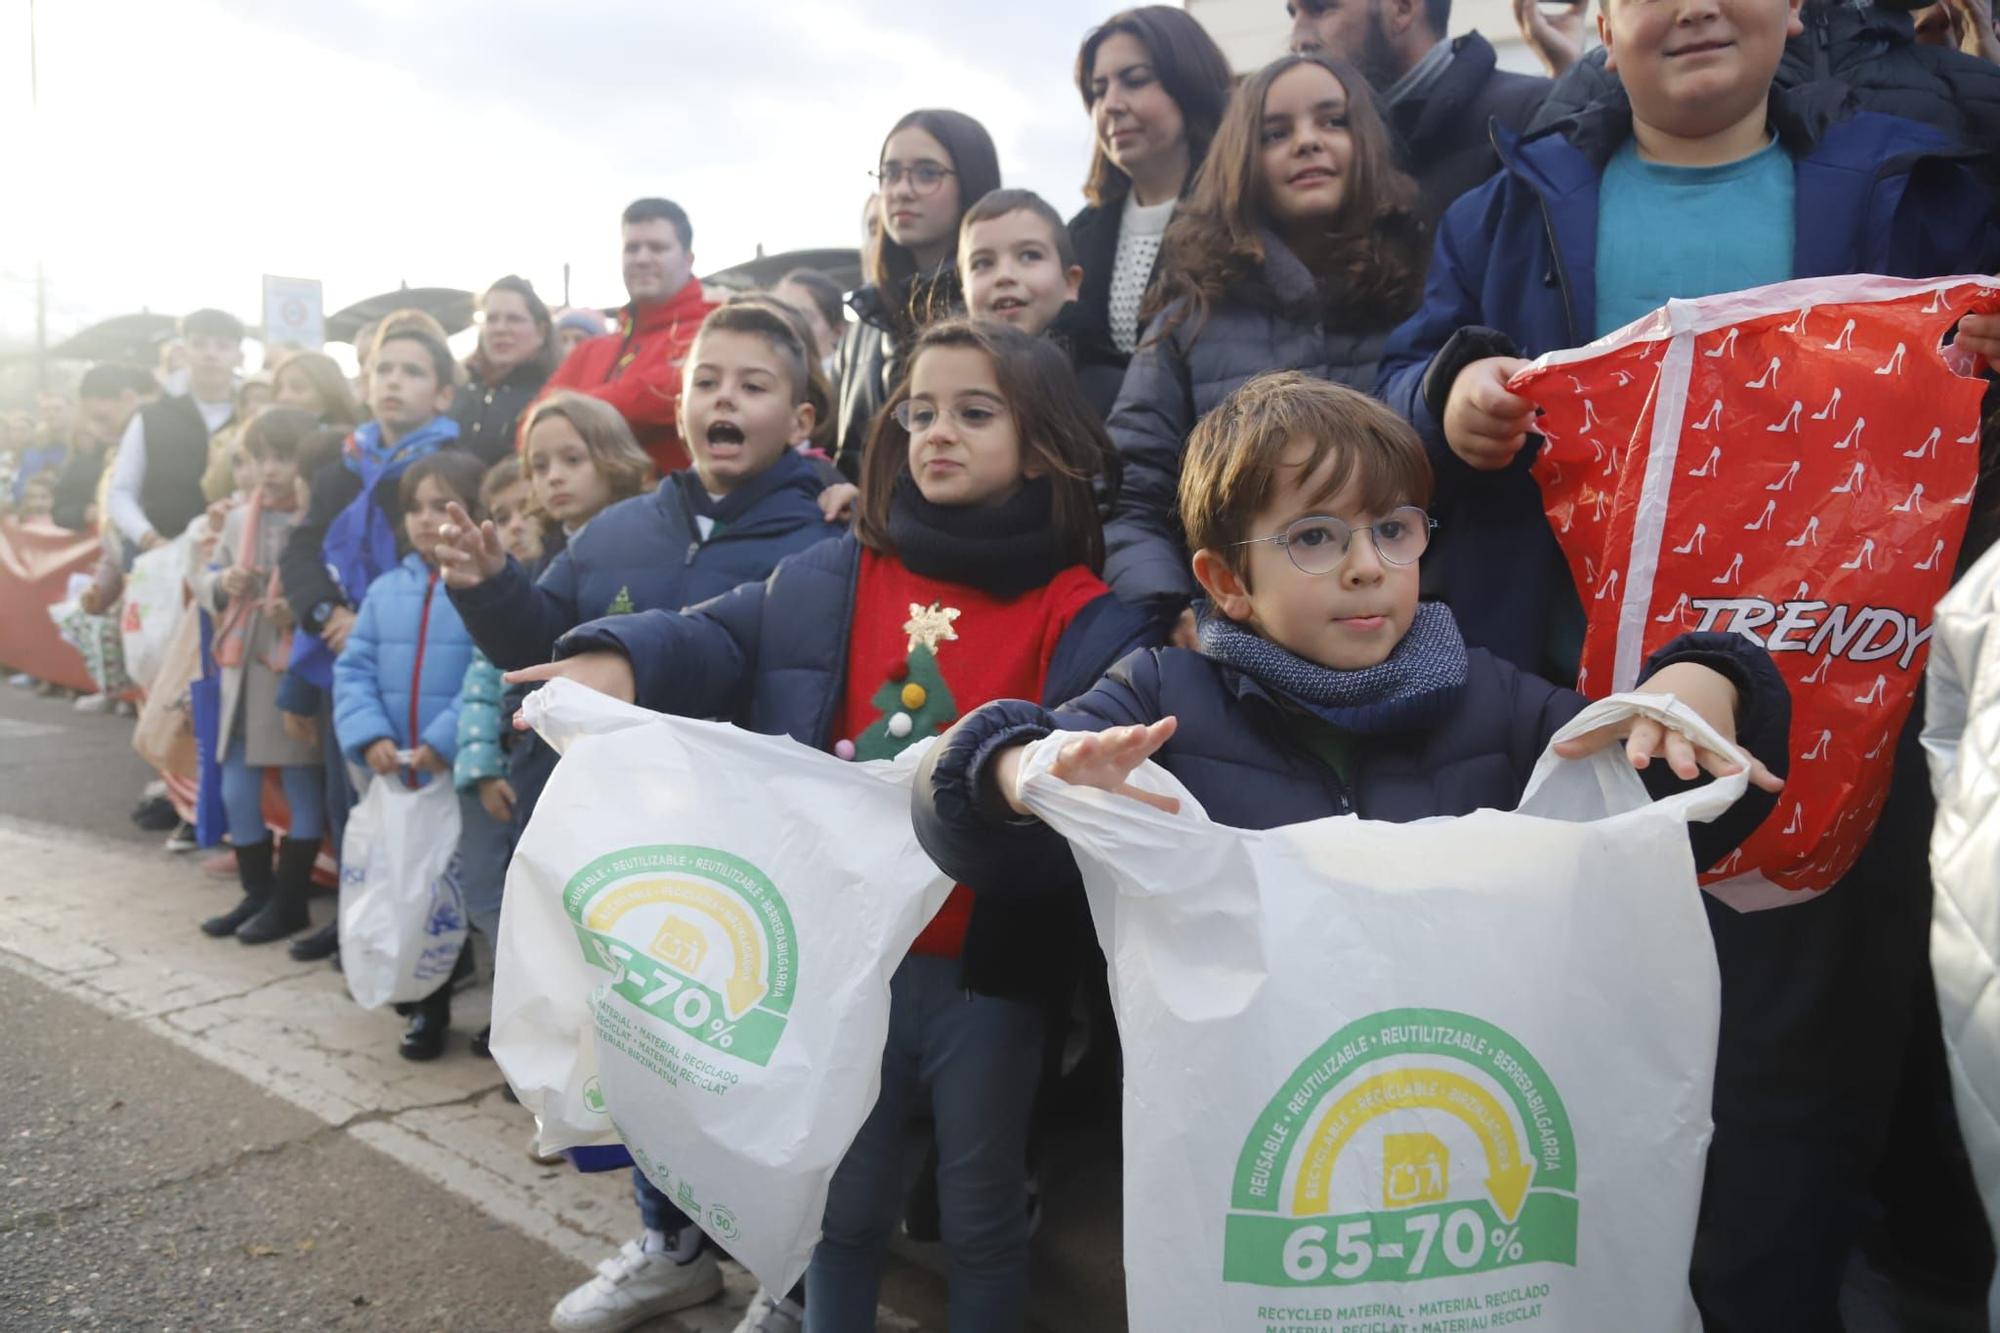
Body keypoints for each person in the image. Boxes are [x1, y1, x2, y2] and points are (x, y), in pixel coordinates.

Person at [1372, 0, 2000, 1321]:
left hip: (1826, 744)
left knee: (1793, 1089)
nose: (1700, 6)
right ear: (1602, 20)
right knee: (1575, 1064)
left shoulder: (1917, 186)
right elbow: (1398, 384)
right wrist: (1452, 396)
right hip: (1575, 734)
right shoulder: (1507, 209)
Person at [908, 378, 1786, 1246]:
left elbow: (1665, 815)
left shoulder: (1499, 701)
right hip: (1260, 1149)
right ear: (1227, 581)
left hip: (1472, 1125)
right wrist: (1019, 771)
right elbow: (962, 815)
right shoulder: (1161, 700)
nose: (1367, 564)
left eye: (1392, 529)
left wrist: (1709, 677)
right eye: (1316, 537)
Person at [511, 318, 1154, 1333]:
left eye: (974, 413)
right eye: (923, 411)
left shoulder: (1083, 614)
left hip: (988, 979)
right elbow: (718, 633)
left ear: (1042, 445)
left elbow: (1081, 755)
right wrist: (624, 658)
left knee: (981, 1218)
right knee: (840, 1215)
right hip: (837, 959)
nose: (937, 432)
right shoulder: (838, 571)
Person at [440, 303, 845, 1333]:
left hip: (761, 861)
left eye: (752, 385)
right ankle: (670, 1247)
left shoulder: (831, 534)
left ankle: (787, 1279)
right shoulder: (618, 529)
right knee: (643, 1055)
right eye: (708, 380)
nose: (724, 399)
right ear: (678, 400)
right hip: (631, 858)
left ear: (800, 415)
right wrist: (490, 589)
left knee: (760, 1071)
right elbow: (544, 646)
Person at [1103, 52, 1430, 639]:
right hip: (1232, 650)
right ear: (1240, 162)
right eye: (1276, 133)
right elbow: (1131, 491)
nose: (1307, 142)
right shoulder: (1190, 313)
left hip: (1403, 640)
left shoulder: (1422, 291)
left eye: (1332, 122)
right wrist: (1173, 609)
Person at [279, 328, 461, 960]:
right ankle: (361, 916)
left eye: (411, 371)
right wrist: (329, 611)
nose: (392, 381)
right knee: (349, 792)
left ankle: (436, 941)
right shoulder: (340, 467)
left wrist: (370, 617)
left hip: (419, 649)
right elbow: (301, 550)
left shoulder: (449, 467)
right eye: (383, 369)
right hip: (344, 653)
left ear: (442, 394)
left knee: (431, 807)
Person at [331, 450, 487, 1059]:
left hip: (459, 769)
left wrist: (444, 743)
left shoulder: (484, 588)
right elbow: (356, 668)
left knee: (471, 891)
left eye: (442, 505)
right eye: (416, 507)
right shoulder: (385, 590)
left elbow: (488, 666)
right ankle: (429, 1005)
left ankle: (502, 1013)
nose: (426, 519)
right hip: (399, 769)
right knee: (418, 889)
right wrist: (370, 736)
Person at [188, 408, 326, 943]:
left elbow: (330, 580)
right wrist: (225, 584)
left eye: (284, 457)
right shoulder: (242, 516)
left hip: (291, 668)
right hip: (240, 667)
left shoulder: (315, 519)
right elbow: (207, 576)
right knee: (238, 787)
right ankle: (257, 893)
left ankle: (288, 901)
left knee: (300, 783)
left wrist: (299, 604)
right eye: (260, 458)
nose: (270, 470)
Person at [1066, 8, 1236, 412]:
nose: (1110, 104)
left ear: (1190, 84)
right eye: (1098, 89)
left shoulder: (1243, 214)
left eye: (1135, 80)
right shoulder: (1075, 237)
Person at [831, 109, 1001, 478]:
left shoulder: (994, 310)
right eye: (890, 174)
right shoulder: (866, 314)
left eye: (927, 173)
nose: (902, 191)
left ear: (971, 181)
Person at [1288, 0, 1551, 220]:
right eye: (1293, 13)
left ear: (1401, 9)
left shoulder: (1530, 115)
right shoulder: (1321, 145)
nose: (1297, 40)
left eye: (1320, 8)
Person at [542, 198, 717, 475]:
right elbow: (532, 423)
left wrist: (570, 408)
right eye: (632, 248)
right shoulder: (591, 350)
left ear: (688, 259)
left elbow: (671, 392)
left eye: (657, 248)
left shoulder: (714, 331)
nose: (642, 258)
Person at [105, 308, 244, 556]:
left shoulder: (251, 418)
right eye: (199, 344)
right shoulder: (151, 417)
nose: (210, 354)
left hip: (236, 561)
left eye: (223, 346)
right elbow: (121, 491)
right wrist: (149, 538)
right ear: (184, 351)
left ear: (239, 356)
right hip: (160, 555)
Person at [456, 275, 559, 464]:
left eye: (514, 319)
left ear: (541, 331)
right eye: (492, 319)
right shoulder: (458, 391)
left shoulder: (551, 399)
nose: (500, 329)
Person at [55, 364, 153, 532]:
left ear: (129, 399)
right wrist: (82, 513)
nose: (96, 429)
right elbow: (60, 510)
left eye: (102, 418)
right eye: (91, 420)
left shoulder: (165, 448)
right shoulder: (84, 463)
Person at [770, 268, 848, 374]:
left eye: (802, 317)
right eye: (775, 314)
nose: (785, 325)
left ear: (837, 332)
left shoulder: (847, 383)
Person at [270, 350, 364, 432]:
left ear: (327, 391)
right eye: (279, 388)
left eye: (298, 387)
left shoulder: (353, 445)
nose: (283, 397)